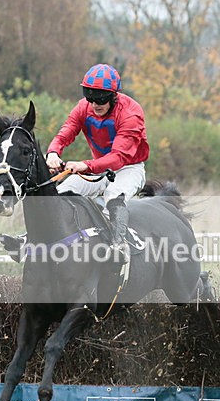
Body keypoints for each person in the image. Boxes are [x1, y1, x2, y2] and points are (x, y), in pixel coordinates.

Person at [44, 63, 149, 262]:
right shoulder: (83, 107)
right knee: (60, 193)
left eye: (101, 99)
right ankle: (37, 239)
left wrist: (86, 165)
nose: (95, 104)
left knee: (113, 196)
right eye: (90, 98)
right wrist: (53, 152)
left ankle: (119, 247)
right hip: (99, 167)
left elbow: (119, 158)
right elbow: (65, 132)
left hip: (129, 168)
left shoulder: (131, 113)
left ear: (113, 96)